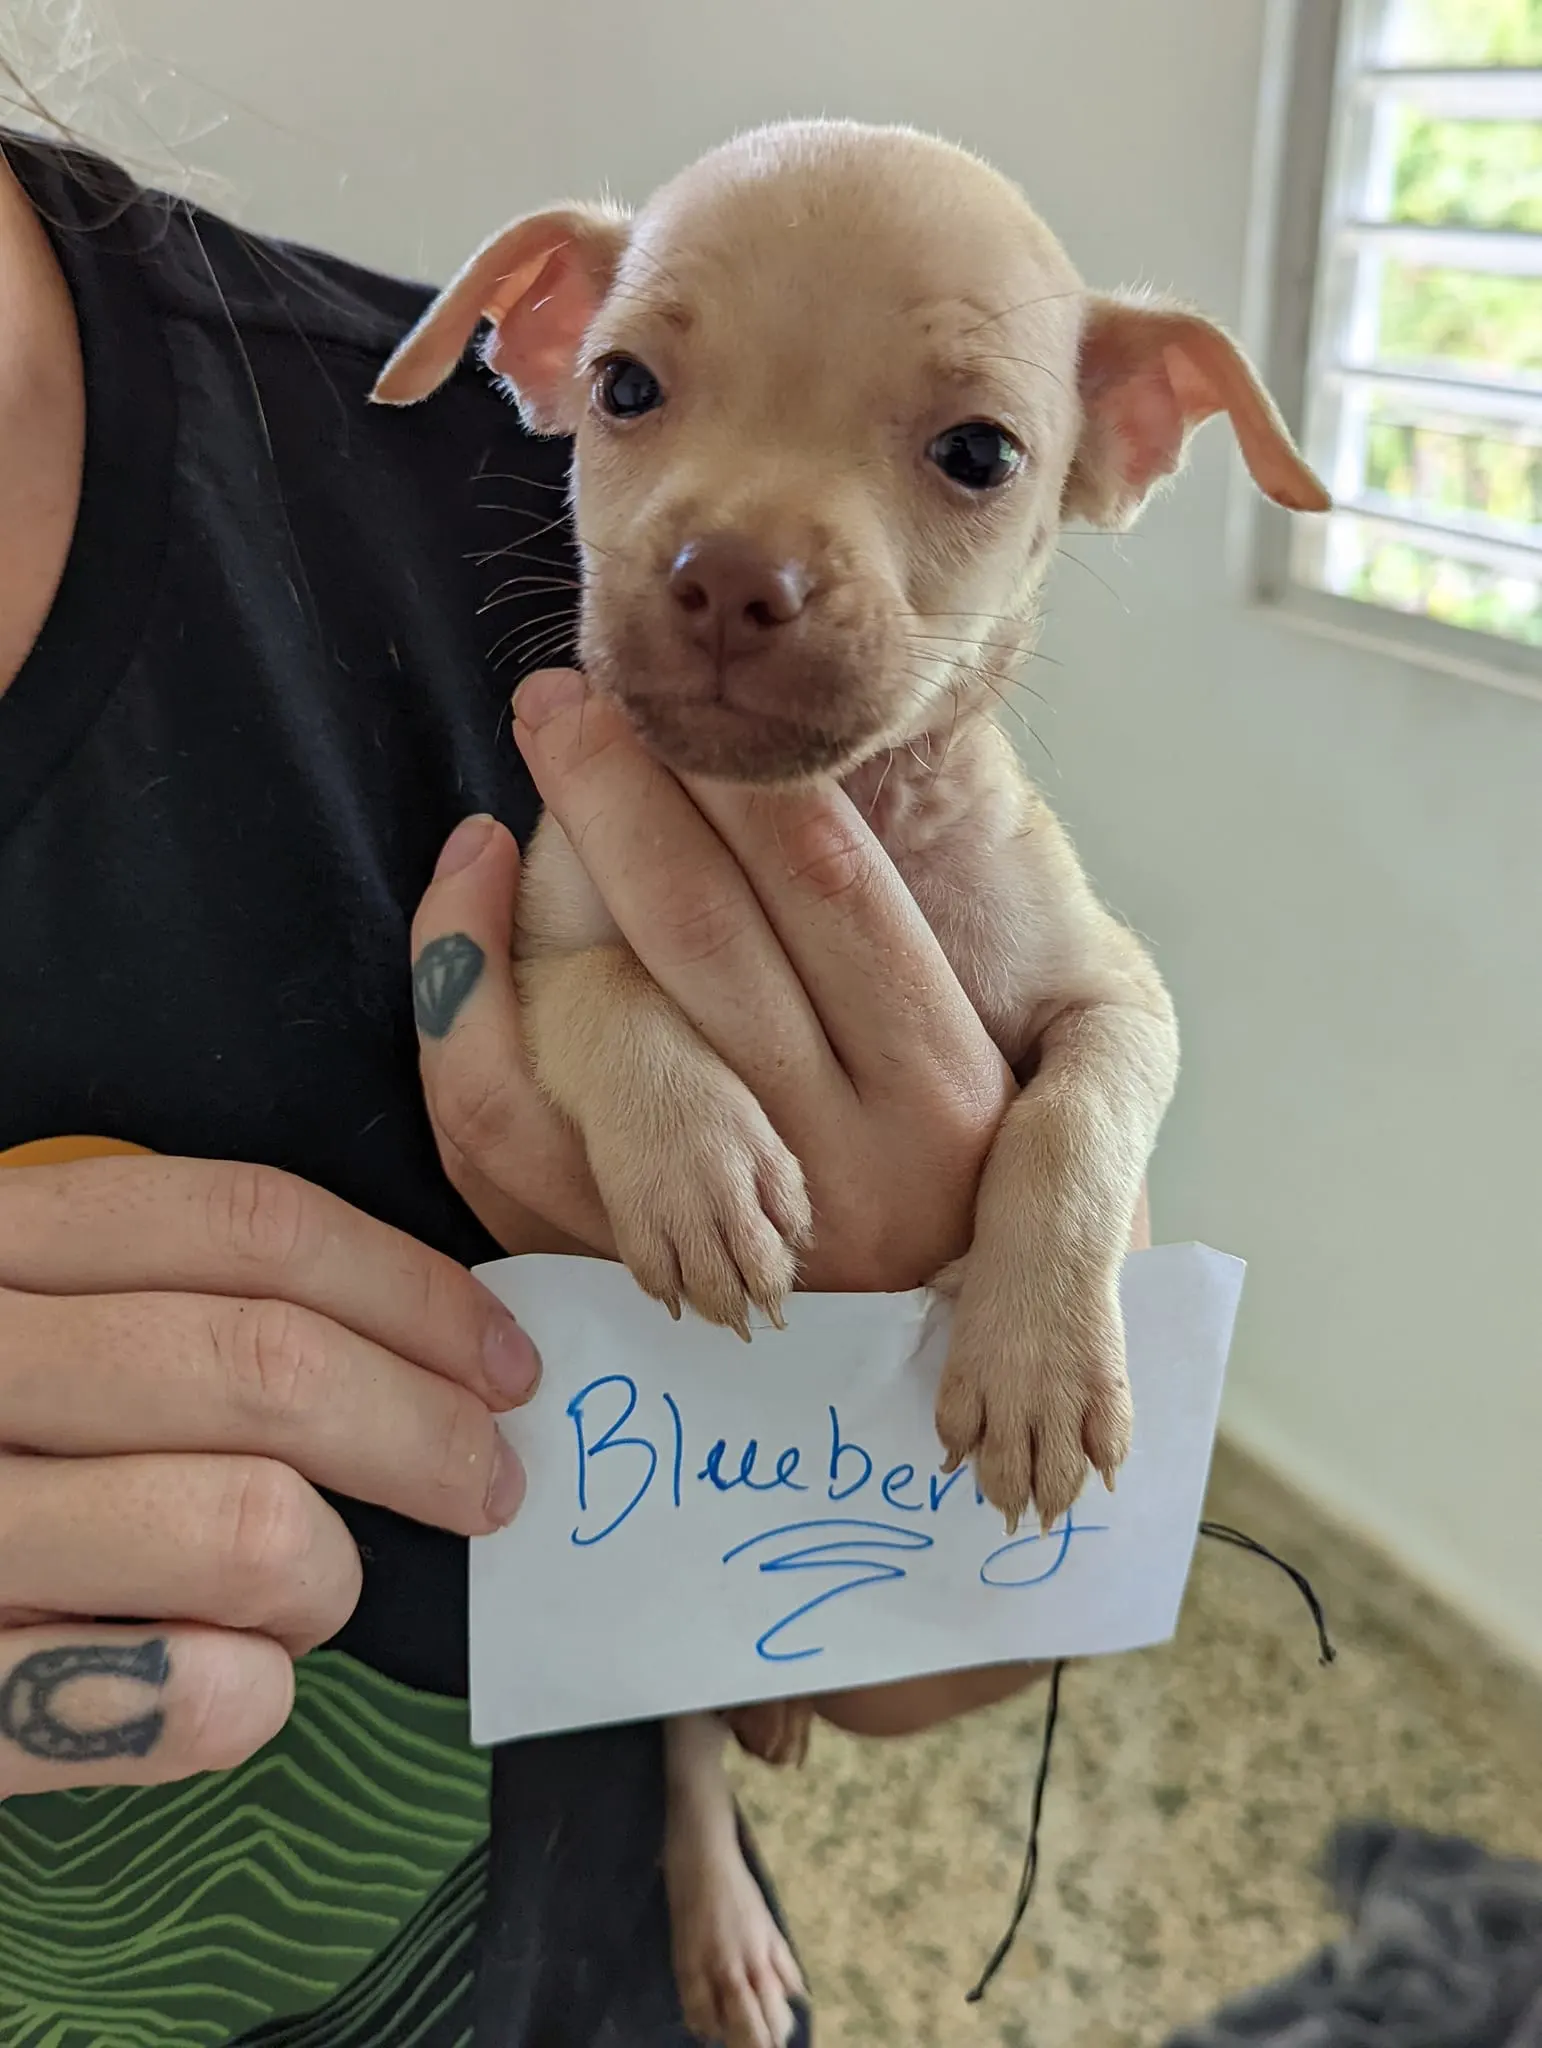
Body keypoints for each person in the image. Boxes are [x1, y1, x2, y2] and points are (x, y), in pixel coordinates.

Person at [0, 117, 1146, 2047]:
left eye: (962, 451)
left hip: (560, 1898)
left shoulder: (395, 454)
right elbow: (570, 979)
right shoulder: (475, 511)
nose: (743, 557)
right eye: (635, 392)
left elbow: (946, 1639)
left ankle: (690, 1815)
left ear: (1133, 431)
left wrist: (967, 1324)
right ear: (544, 340)